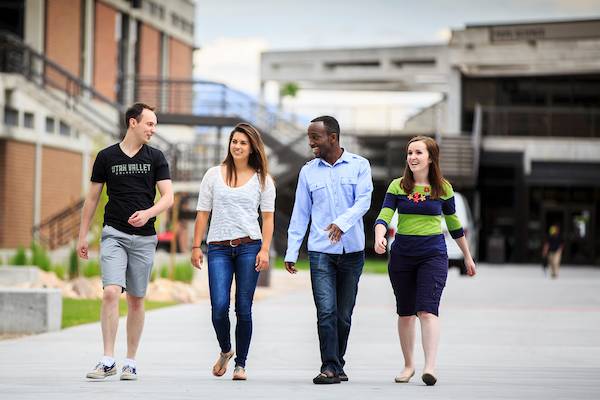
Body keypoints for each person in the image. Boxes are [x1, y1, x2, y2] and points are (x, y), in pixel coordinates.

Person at [77, 103, 173, 380]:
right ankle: (108, 359)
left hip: (144, 239)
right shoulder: (106, 156)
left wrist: (148, 214)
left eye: (154, 125)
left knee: (136, 299)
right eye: (149, 124)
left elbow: (168, 197)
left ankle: (130, 361)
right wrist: (83, 235)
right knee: (110, 292)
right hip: (114, 234)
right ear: (133, 122)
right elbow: (92, 198)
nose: (153, 130)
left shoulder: (156, 157)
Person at [373, 135, 476, 386]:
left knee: (427, 310)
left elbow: (455, 226)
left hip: (433, 255)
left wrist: (468, 257)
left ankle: (430, 366)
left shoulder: (443, 188)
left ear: (431, 157)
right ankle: (408, 365)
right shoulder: (398, 186)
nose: (412, 157)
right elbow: (384, 216)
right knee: (406, 312)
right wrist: (379, 237)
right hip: (402, 256)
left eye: (418, 152)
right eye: (409, 153)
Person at [284, 116, 373, 385]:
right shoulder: (308, 171)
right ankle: (329, 367)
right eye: (310, 137)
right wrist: (291, 250)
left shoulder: (359, 165)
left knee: (343, 315)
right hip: (321, 251)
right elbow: (300, 213)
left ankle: (338, 363)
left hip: (352, 251)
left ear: (332, 138)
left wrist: (343, 223)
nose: (311, 142)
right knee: (325, 312)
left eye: (315, 137)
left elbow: (364, 201)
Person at [191, 123, 275, 381]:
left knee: (243, 308)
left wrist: (264, 250)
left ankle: (241, 364)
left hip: (250, 246)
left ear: (252, 148)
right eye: (234, 141)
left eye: (243, 143)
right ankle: (226, 350)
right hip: (218, 248)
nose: (237, 146)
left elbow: (268, 219)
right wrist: (196, 246)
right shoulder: (213, 174)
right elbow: (202, 214)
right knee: (218, 307)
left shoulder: (263, 179)